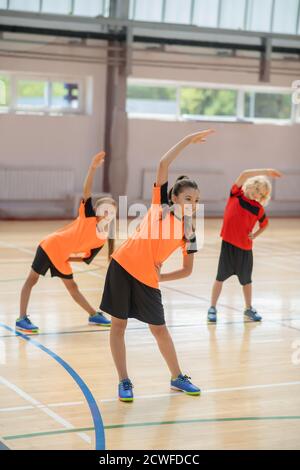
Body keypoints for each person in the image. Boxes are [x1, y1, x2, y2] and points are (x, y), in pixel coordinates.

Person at [100, 129, 215, 402]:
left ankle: (177, 377)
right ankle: (124, 380)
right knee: (119, 325)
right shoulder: (158, 207)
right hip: (121, 266)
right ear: (175, 198)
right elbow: (164, 164)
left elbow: (187, 270)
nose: (193, 204)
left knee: (159, 329)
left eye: (196, 201)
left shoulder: (190, 232)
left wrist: (159, 277)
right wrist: (188, 140)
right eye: (188, 199)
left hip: (148, 280)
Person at [17, 151, 115, 332]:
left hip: (61, 256)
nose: (109, 213)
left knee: (73, 287)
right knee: (32, 280)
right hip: (51, 246)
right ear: (97, 210)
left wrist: (69, 259)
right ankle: (21, 318)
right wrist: (92, 168)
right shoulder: (88, 217)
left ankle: (93, 315)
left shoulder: (101, 239)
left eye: (113, 211)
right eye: (106, 209)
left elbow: (85, 259)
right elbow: (87, 190)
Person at [207, 168, 282, 323]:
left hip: (245, 249)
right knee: (219, 278)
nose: (256, 195)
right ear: (249, 186)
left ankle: (248, 308)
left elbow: (265, 224)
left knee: (247, 281)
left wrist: (255, 235)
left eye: (261, 194)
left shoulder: (258, 209)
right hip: (228, 246)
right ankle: (212, 307)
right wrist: (266, 171)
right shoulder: (236, 194)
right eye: (256, 190)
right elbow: (243, 174)